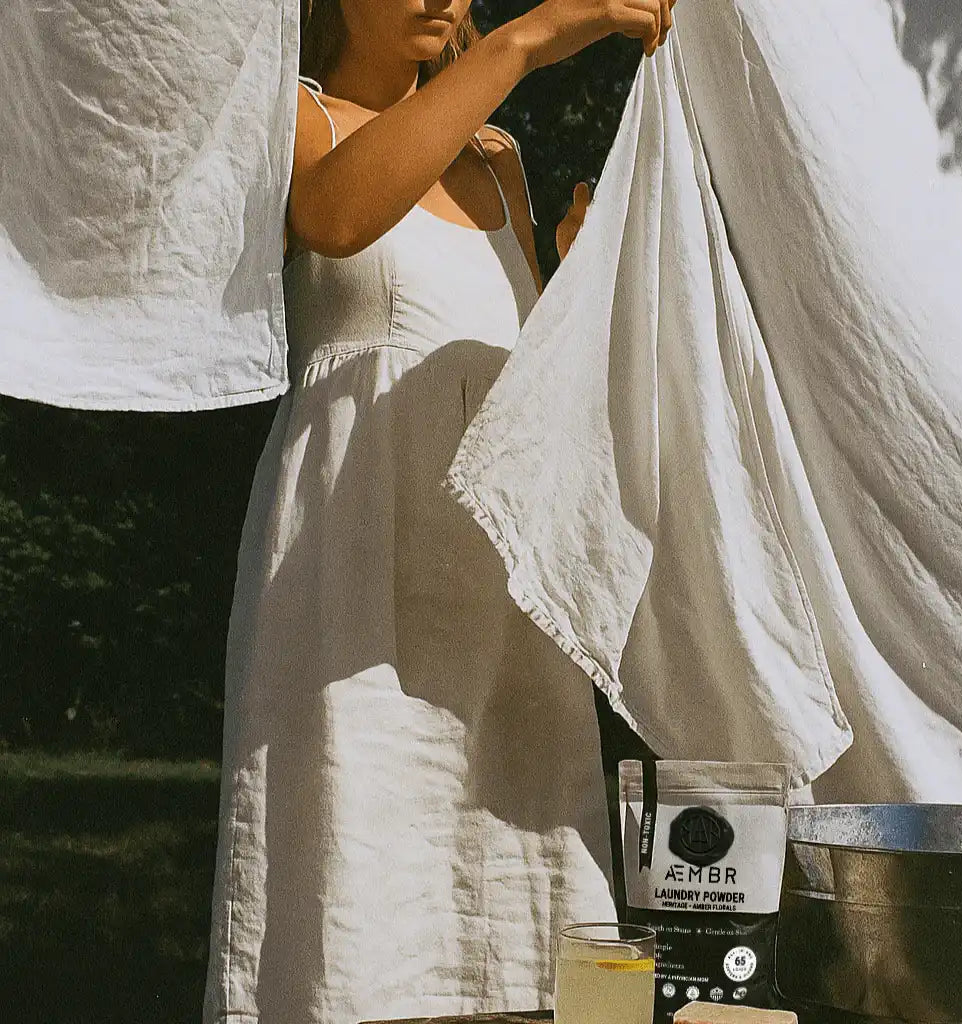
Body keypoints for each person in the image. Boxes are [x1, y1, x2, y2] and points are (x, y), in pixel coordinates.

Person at [203, 2, 675, 1022]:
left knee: (530, 874)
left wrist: (580, 280)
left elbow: (536, 384)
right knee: (361, 873)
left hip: (496, 575)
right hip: (354, 562)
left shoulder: (497, 156)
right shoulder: (293, 115)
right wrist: (522, 41)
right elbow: (333, 218)